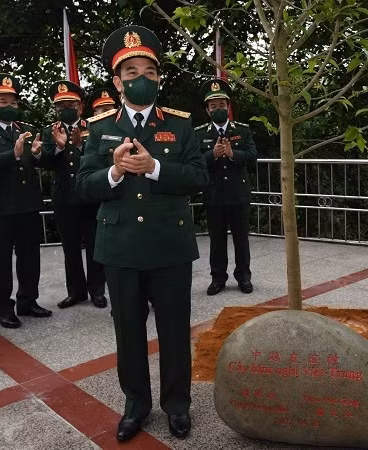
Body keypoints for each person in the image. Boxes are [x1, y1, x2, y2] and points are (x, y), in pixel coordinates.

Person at [76, 25, 207, 441]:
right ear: (116, 81)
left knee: (173, 330)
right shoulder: (98, 128)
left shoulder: (181, 126)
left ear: (159, 77)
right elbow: (82, 185)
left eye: (149, 72)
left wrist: (154, 168)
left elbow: (199, 177)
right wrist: (114, 171)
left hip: (169, 245)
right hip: (120, 247)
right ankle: (136, 405)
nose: (141, 78)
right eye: (131, 71)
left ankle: (177, 405)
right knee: (128, 333)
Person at [0, 73, 51, 329]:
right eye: (2, 101)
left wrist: (38, 154)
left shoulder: (24, 131)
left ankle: (28, 300)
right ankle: (3, 307)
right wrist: (11, 155)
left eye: (13, 101)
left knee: (30, 257)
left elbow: (37, 163)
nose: (9, 106)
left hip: (26, 205)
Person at [40, 81, 107, 309]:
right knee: (70, 248)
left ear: (80, 106)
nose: (65, 109)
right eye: (60, 106)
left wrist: (80, 146)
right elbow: (44, 162)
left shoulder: (95, 127)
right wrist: (58, 148)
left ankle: (97, 290)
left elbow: (102, 158)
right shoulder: (49, 131)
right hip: (64, 198)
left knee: (95, 245)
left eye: (70, 104)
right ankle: (76, 292)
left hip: (90, 197)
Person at [194, 78, 257, 296]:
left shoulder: (243, 130)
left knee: (241, 239)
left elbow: (252, 156)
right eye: (213, 106)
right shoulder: (200, 133)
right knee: (217, 240)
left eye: (222, 105)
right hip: (214, 195)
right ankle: (218, 278)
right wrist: (212, 155)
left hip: (238, 194)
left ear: (228, 106)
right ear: (207, 109)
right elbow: (194, 161)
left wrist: (232, 154)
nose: (218, 109)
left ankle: (244, 277)